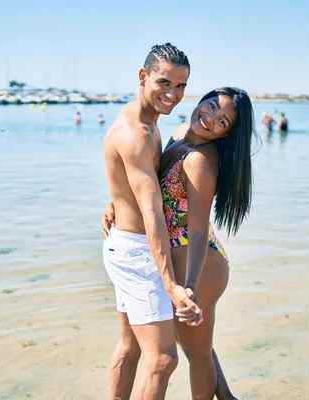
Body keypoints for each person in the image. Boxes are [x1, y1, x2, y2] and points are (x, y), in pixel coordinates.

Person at [104, 87, 257, 399]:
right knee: (196, 345)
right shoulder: (179, 132)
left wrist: (189, 285)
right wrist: (115, 204)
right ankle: (227, 396)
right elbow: (144, 182)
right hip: (174, 256)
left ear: (226, 134)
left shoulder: (200, 160)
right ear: (201, 100)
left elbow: (199, 231)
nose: (211, 118)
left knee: (197, 353)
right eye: (212, 106)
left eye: (223, 122)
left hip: (197, 263)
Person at [101, 43, 201, 400]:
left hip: (124, 245)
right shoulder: (138, 133)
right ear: (143, 77)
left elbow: (127, 177)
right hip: (137, 251)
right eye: (164, 83)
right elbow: (152, 212)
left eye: (181, 86)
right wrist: (172, 285)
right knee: (162, 358)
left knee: (130, 346)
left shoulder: (143, 121)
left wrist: (113, 201)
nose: (173, 94)